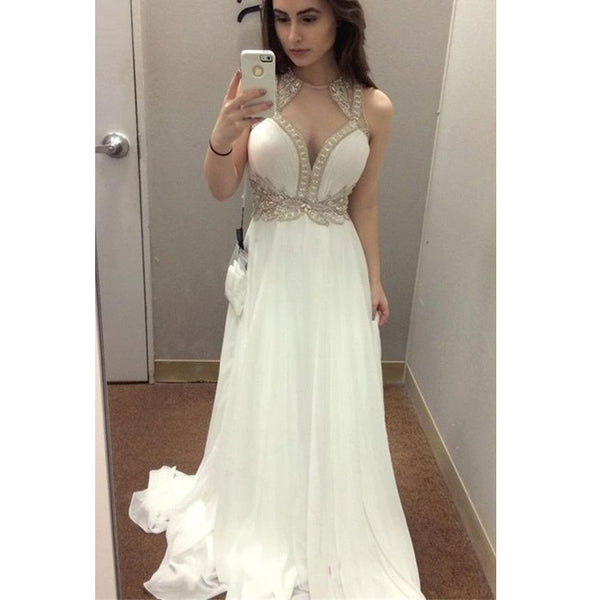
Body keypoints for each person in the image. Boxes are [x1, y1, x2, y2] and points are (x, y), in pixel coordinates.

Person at [129, 1, 427, 598]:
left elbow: (365, 202)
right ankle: (267, 514)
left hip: (337, 268)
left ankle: (325, 515)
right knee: (269, 385)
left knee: (330, 390)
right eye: (282, 17)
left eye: (309, 17)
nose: (293, 34)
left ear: (341, 19)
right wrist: (222, 134)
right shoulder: (259, 92)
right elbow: (221, 188)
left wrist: (374, 278)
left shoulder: (375, 107)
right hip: (272, 269)